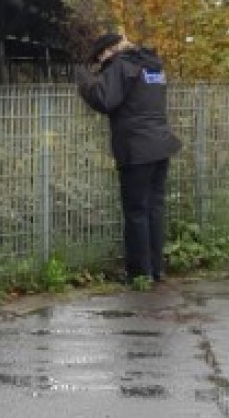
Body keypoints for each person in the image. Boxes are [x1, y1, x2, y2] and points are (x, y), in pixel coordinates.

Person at [77, 31, 183, 285]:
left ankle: (139, 273)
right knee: (154, 209)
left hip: (136, 149)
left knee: (136, 211)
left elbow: (104, 99)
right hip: (160, 145)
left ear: (110, 51)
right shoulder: (152, 65)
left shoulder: (123, 65)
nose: (102, 64)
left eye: (101, 58)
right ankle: (156, 270)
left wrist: (84, 80)